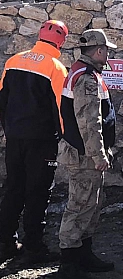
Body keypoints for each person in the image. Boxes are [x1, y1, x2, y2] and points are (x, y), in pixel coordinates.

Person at [0, 20, 68, 263]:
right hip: (41, 141)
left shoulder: (13, 61)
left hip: (15, 137)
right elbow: (61, 109)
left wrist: (8, 129)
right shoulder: (56, 68)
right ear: (62, 41)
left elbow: (2, 99)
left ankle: (6, 242)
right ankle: (34, 247)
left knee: (14, 189)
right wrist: (65, 137)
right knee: (38, 193)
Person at [57, 29, 117, 278]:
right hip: (84, 156)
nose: (107, 55)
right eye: (106, 51)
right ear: (99, 51)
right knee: (80, 204)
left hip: (84, 154)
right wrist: (98, 155)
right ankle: (70, 261)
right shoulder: (86, 78)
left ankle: (83, 255)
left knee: (90, 204)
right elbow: (89, 122)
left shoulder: (83, 73)